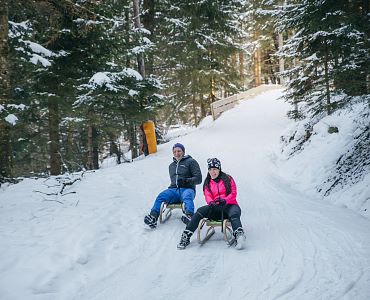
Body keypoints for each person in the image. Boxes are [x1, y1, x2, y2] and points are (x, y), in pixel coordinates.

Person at [177, 158, 246, 250]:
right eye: (210, 169)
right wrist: (211, 202)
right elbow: (207, 195)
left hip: (229, 206)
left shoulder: (228, 179)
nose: (212, 172)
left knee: (234, 213)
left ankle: (239, 235)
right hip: (215, 208)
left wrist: (225, 200)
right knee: (200, 211)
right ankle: (186, 235)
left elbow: (233, 193)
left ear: (219, 169)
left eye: (214, 169)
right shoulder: (208, 182)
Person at [144, 143, 202, 228]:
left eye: (179, 151)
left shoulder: (191, 162)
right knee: (161, 196)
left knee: (187, 196)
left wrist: (186, 181)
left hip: (187, 189)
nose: (177, 153)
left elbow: (199, 179)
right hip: (174, 190)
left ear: (183, 151)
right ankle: (153, 217)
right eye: (174, 151)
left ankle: (190, 217)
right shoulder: (171, 166)